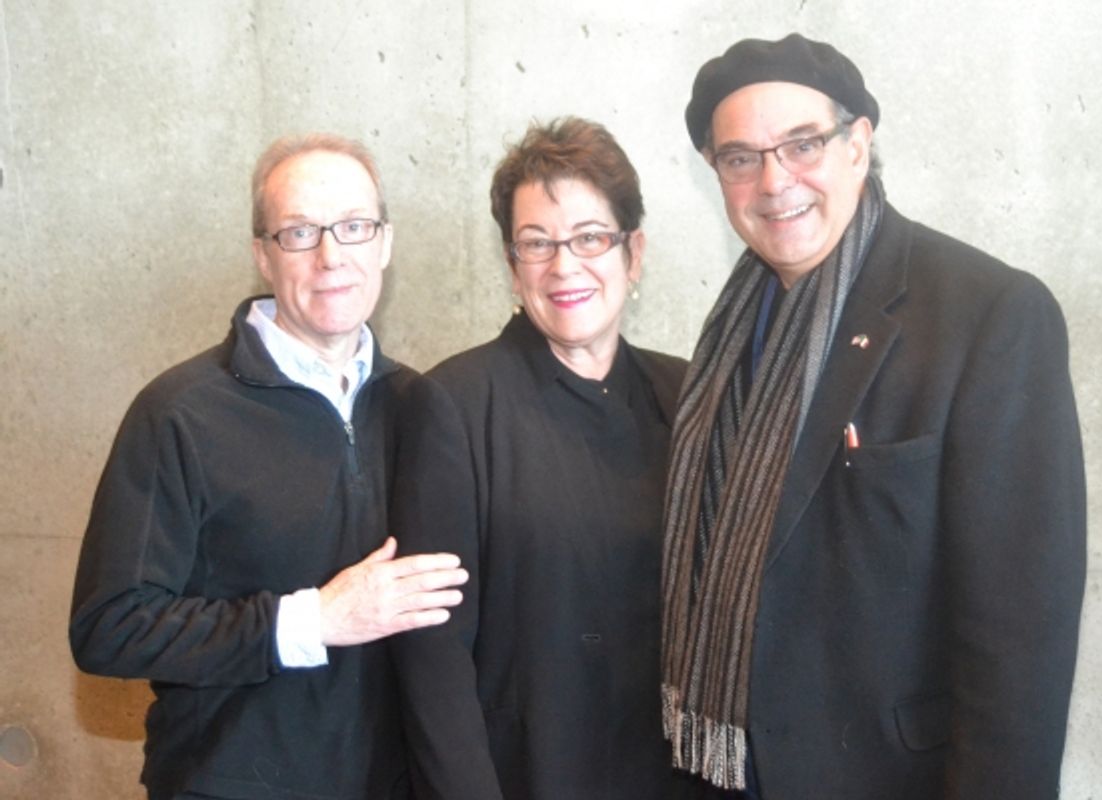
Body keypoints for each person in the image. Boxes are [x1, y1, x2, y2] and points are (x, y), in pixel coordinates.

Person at [660, 34, 1087, 799]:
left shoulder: (987, 314)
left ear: (858, 143)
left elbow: (1022, 640)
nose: (774, 181)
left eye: (802, 145)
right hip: (723, 772)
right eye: (739, 158)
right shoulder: (729, 332)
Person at [69, 133, 469, 800]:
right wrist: (312, 621)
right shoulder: (180, 413)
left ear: (385, 244)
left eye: (353, 226)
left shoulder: (419, 407)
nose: (331, 255)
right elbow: (109, 628)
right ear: (262, 254)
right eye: (299, 232)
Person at [390, 117, 694, 799]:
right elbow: (431, 659)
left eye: (590, 238)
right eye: (536, 244)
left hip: (671, 775)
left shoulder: (689, 396)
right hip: (528, 772)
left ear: (632, 253)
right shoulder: (453, 405)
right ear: (510, 264)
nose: (564, 266)